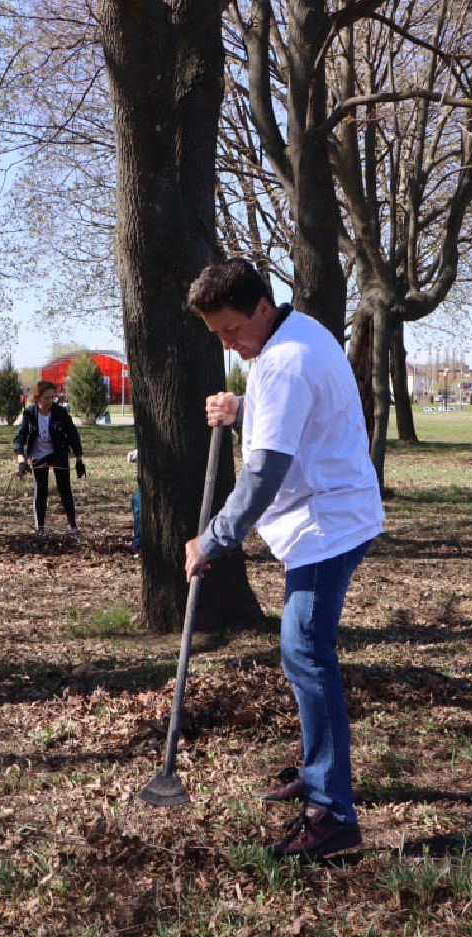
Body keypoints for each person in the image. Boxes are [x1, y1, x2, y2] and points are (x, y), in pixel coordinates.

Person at [184, 258, 384, 860]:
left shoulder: (286, 361)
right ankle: (318, 769)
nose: (226, 343)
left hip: (327, 527)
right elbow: (298, 420)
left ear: (261, 310)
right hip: (328, 516)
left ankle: (332, 812)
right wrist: (244, 409)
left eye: (230, 330)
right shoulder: (299, 335)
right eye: (216, 333)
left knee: (306, 654)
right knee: (304, 657)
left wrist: (214, 539)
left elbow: (265, 472)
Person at [12, 379, 86, 534]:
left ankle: (72, 526)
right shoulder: (30, 414)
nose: (49, 401)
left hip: (58, 453)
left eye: (52, 397)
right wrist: (21, 461)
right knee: (41, 491)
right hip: (39, 455)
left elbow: (73, 434)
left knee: (65, 489)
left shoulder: (60, 412)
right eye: (46, 398)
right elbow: (20, 438)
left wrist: (79, 459)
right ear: (38, 397)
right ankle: (40, 528)